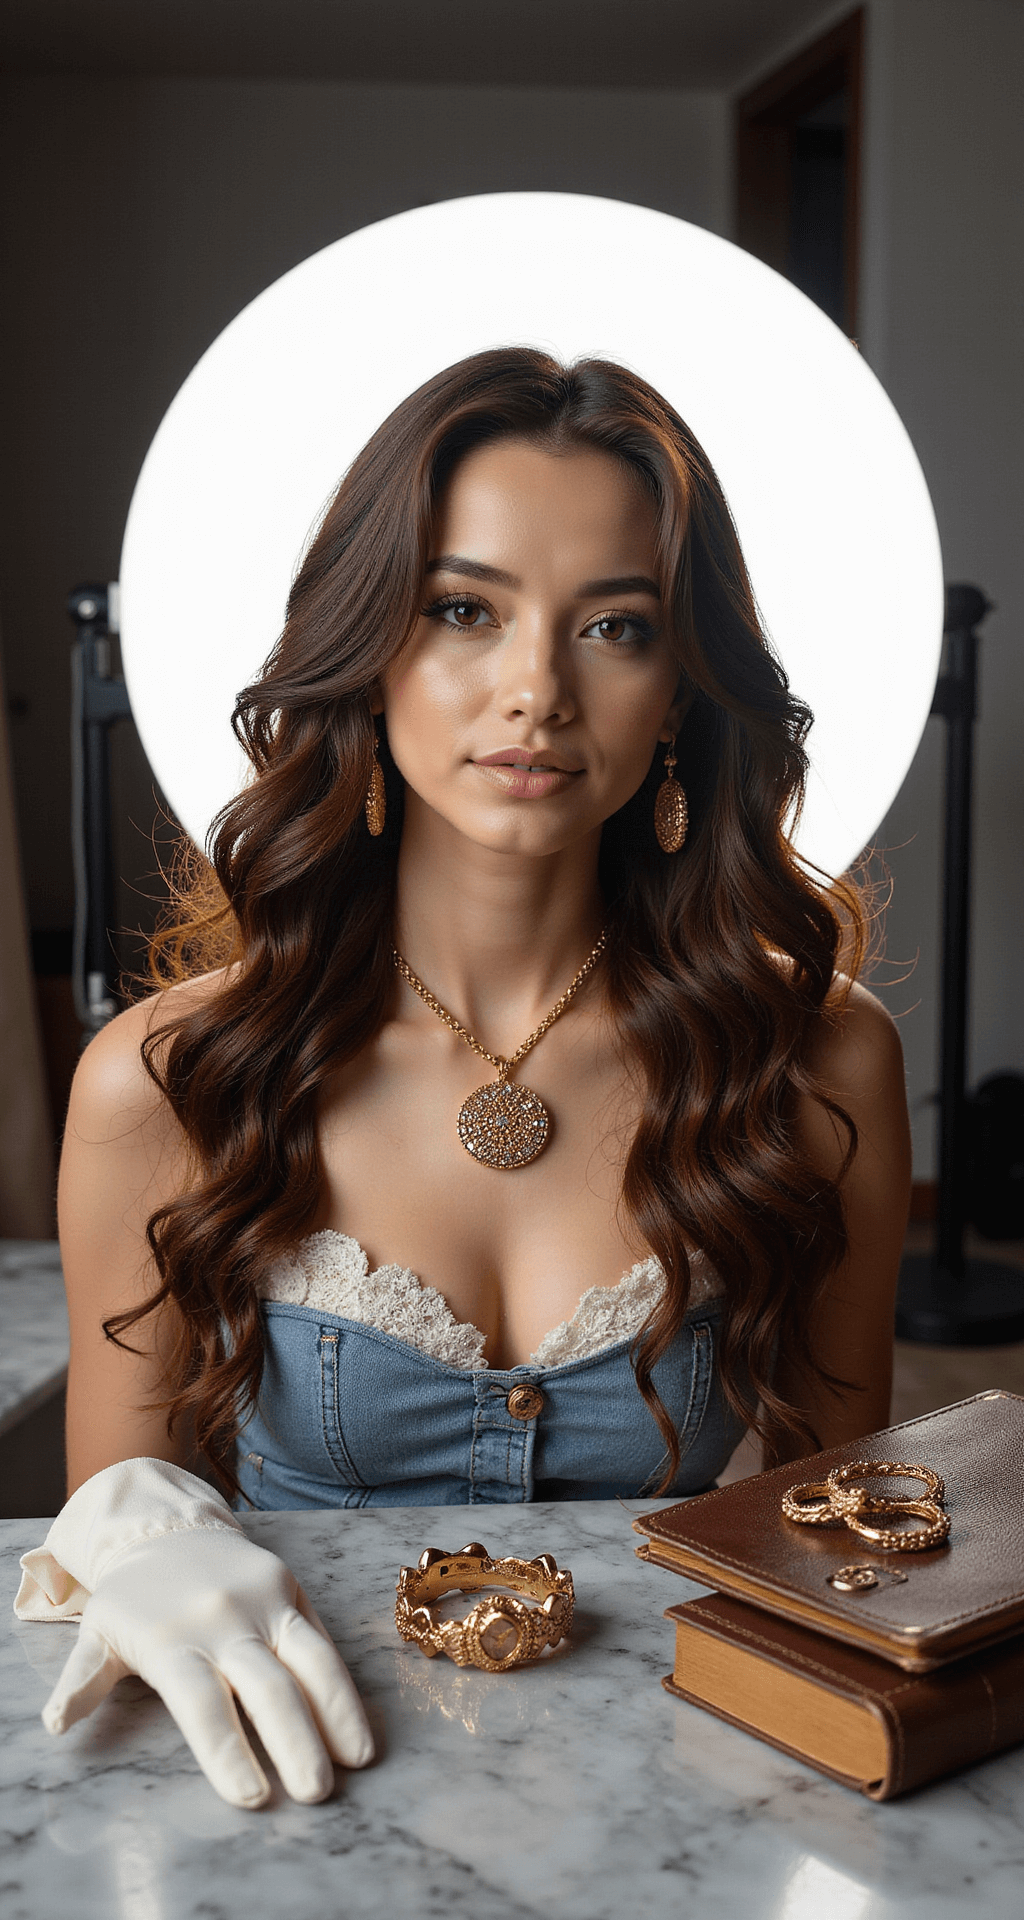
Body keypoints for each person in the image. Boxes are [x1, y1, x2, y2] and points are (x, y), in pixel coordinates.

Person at [17, 347, 911, 1807]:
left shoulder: (818, 1062)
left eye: (615, 626)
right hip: (291, 1794)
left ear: (683, 690)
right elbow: (110, 1501)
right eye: (463, 610)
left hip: (686, 1805)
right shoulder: (167, 1083)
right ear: (371, 653)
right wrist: (138, 1532)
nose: (536, 690)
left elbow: (852, 1548)